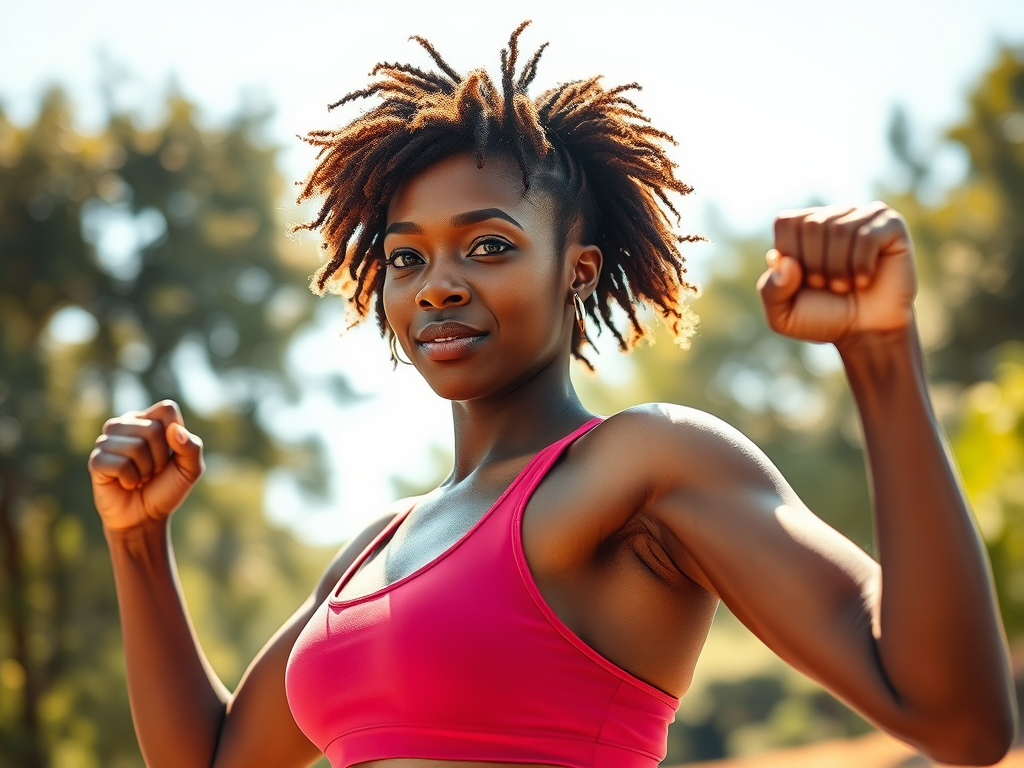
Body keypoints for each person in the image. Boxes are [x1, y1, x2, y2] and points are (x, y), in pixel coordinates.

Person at [89, 22, 1016, 768]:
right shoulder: (372, 551)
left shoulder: (644, 465)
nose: (437, 285)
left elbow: (959, 722)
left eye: (488, 245)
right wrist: (135, 542)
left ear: (578, 271)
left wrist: (878, 355)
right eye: (406, 258)